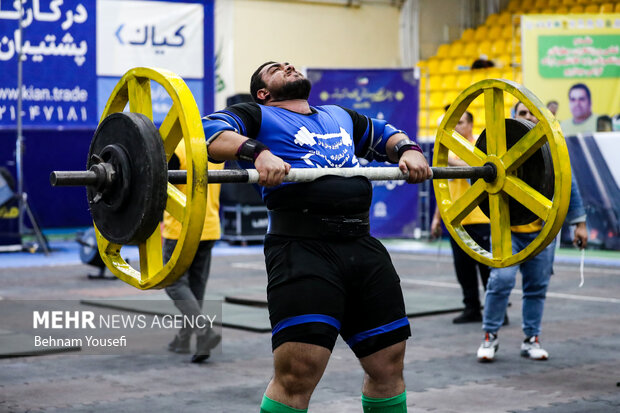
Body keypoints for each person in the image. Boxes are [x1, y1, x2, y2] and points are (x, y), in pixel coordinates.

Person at [205, 61, 432, 412]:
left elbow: (385, 134)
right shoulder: (258, 115)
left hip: (362, 246)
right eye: (275, 68)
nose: (287, 66)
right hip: (301, 249)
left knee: (388, 365)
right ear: (264, 92)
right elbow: (209, 131)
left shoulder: (338, 115)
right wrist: (258, 153)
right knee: (297, 374)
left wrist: (409, 150)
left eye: (288, 63)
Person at [477, 102, 588, 362]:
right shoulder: (498, 149)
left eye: (532, 114)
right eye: (522, 113)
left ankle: (531, 339)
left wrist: (579, 223)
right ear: (514, 117)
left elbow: (568, 185)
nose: (527, 117)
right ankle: (489, 336)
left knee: (537, 286)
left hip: (542, 230)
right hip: (508, 230)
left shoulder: (553, 148)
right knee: (501, 280)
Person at [163, 140, 223, 363]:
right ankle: (186, 339)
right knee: (195, 288)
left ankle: (204, 332)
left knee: (174, 284)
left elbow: (158, 183)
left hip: (181, 229)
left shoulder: (177, 150)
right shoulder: (216, 150)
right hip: (208, 228)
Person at [430, 111, 491, 324]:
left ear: (471, 125)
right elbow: (442, 188)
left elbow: (476, 171)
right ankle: (471, 308)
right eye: (453, 123)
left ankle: (496, 311)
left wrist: (447, 161)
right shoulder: (447, 152)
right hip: (455, 219)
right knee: (463, 270)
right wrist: (437, 218)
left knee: (487, 270)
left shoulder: (481, 147)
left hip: (481, 219)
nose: (456, 127)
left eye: (460, 122)